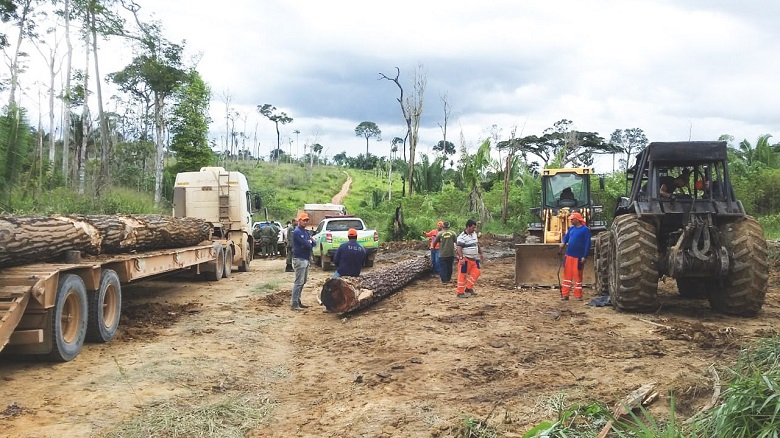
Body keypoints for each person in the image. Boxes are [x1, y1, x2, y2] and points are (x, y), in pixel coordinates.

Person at [558, 212, 591, 301]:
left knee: (578, 277)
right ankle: (565, 295)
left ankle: (578, 295)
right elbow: (566, 237)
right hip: (569, 256)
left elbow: (588, 244)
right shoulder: (571, 228)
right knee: (567, 277)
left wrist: (584, 256)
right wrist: (563, 242)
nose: (571, 221)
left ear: (577, 220)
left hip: (578, 257)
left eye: (572, 219)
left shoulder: (585, 230)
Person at [291, 213, 316, 310]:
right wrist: (309, 241)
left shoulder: (305, 232)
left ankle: (298, 301)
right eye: (304, 220)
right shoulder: (297, 232)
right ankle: (294, 303)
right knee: (299, 282)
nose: (305, 222)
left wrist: (310, 241)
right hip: (300, 258)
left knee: (303, 281)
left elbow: (314, 243)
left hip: (305, 258)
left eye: (306, 220)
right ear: (299, 221)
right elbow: (308, 245)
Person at [455, 219, 485, 298]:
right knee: (462, 275)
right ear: (468, 227)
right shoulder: (462, 237)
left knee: (477, 272)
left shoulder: (474, 234)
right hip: (466, 259)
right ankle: (460, 292)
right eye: (473, 227)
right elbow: (459, 248)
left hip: (474, 259)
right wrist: (461, 258)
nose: (474, 229)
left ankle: (468, 288)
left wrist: (481, 253)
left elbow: (476, 244)